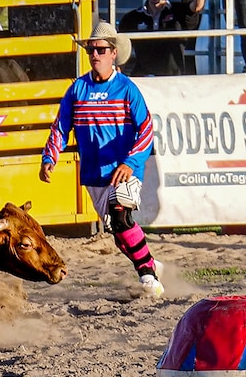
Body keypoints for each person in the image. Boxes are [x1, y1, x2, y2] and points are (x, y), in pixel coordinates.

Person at [39, 21, 163, 298]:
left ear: (113, 53)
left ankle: (148, 276)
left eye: (101, 49)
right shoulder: (77, 89)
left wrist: (130, 163)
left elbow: (146, 129)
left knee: (120, 217)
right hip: (94, 174)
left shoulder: (127, 89)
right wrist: (50, 157)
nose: (95, 54)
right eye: (91, 50)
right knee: (118, 231)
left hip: (124, 170)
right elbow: (61, 127)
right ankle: (150, 263)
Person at [118, 0, 211, 76]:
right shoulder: (131, 18)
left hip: (172, 78)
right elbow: (121, 51)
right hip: (143, 77)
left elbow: (196, 7)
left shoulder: (179, 11)